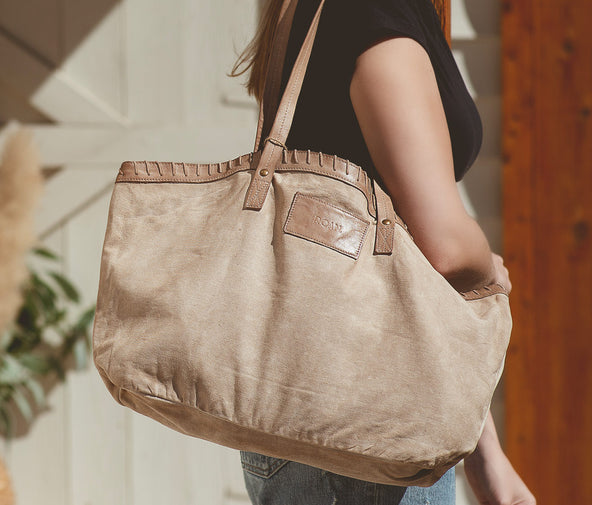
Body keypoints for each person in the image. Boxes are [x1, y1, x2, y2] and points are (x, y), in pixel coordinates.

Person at [229, 0, 537, 504]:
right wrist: (489, 264)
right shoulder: (373, 12)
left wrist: (484, 451)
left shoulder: (310, 10)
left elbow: (401, 260)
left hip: (314, 409)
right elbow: (441, 247)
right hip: (369, 429)